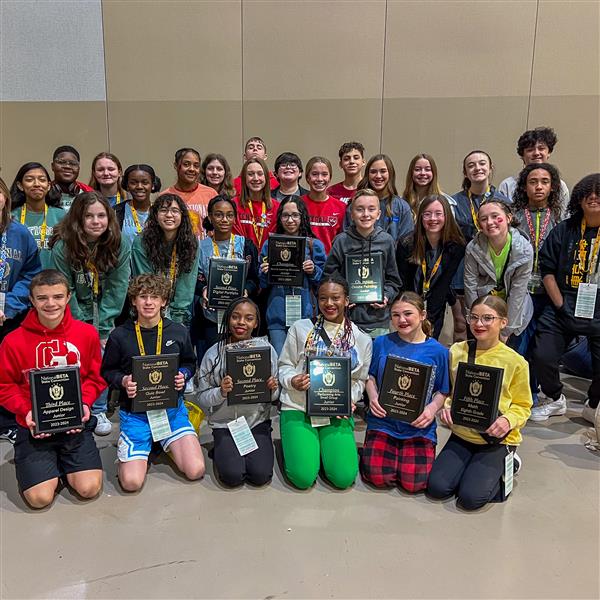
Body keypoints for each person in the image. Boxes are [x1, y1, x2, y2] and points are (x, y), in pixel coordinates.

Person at [0, 269, 105, 508]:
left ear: (68, 297)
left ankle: (63, 463)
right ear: (32, 300)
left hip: (75, 423)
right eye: (42, 298)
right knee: (40, 499)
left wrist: (85, 403)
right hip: (34, 427)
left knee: (89, 488)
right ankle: (45, 465)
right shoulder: (13, 341)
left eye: (57, 296)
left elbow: (96, 377)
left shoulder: (86, 334)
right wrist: (27, 411)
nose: (50, 303)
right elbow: (4, 385)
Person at [101, 274, 205, 491]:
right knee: (131, 483)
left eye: (155, 297)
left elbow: (189, 362)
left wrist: (183, 375)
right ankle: (140, 446)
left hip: (172, 413)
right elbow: (107, 371)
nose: (148, 302)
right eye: (142, 296)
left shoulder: (178, 331)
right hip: (136, 416)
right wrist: (123, 380)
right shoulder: (120, 335)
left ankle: (161, 442)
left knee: (195, 470)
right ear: (133, 301)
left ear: (164, 301)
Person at [427, 295, 531, 510]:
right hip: (462, 434)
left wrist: (508, 421)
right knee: (437, 488)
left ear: (503, 322)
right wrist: (447, 408)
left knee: (471, 499)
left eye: (487, 318)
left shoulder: (516, 362)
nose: (479, 324)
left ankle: (510, 463)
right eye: (474, 317)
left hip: (495, 439)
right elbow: (449, 391)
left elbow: (523, 405)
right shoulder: (457, 351)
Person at [278, 274, 372, 489]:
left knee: (343, 477)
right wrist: (293, 380)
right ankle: (303, 446)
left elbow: (359, 380)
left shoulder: (362, 339)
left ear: (347, 300)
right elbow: (284, 366)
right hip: (298, 406)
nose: (329, 304)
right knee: (302, 478)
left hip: (334, 409)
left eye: (335, 298)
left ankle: (320, 449)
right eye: (323, 298)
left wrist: (349, 399)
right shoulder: (300, 328)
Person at [50, 191, 131, 435]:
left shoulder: (120, 243)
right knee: (73, 355)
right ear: (78, 219)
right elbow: (65, 290)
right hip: (72, 313)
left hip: (106, 312)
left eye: (101, 216)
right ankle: (74, 405)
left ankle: (97, 407)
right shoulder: (64, 246)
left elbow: (118, 288)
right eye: (89, 216)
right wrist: (80, 327)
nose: (96, 222)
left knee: (104, 352)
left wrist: (103, 326)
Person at [361, 292, 450, 492]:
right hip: (383, 421)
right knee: (378, 478)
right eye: (395, 315)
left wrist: (431, 410)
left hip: (418, 425)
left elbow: (443, 390)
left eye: (408, 314)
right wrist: (373, 396)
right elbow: (370, 376)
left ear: (423, 314)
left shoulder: (439, 352)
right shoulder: (381, 343)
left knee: (414, 484)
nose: (401, 320)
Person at [531, 173, 600, 423]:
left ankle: (593, 404)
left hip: (599, 307)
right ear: (579, 200)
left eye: (598, 194)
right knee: (542, 354)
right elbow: (546, 269)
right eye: (587, 194)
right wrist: (560, 304)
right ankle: (555, 398)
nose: (593, 198)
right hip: (563, 301)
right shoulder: (565, 229)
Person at [197, 298, 278, 487]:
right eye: (235, 317)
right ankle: (220, 447)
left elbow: (275, 395)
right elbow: (201, 397)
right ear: (227, 319)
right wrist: (221, 392)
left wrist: (272, 389)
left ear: (256, 323)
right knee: (233, 477)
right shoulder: (213, 354)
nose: (241, 322)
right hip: (225, 424)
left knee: (260, 476)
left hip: (256, 421)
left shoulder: (266, 350)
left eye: (248, 318)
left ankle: (246, 449)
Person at [511, 163, 563, 405]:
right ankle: (524, 395)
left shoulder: (563, 220)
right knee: (519, 346)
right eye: (533, 181)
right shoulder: (515, 217)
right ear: (524, 186)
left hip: (549, 293)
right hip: (522, 292)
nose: (539, 186)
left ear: (552, 187)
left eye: (544, 181)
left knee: (541, 348)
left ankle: (543, 393)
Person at [325, 189, 401, 338]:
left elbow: (394, 281)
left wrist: (385, 296)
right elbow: (328, 278)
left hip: (378, 321)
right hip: (346, 319)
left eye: (371, 209)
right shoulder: (341, 241)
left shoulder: (386, 241)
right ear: (351, 214)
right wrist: (341, 296)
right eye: (360, 209)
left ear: (378, 214)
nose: (366, 214)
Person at [0, 177, 42, 443]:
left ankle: (6, 422)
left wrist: (11, 305)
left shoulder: (19, 232)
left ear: (5, 197)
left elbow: (31, 273)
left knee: (7, 371)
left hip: (9, 315)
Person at [452, 150, 509, 342]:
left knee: (492, 326)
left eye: (482, 163)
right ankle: (462, 368)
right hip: (462, 272)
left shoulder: (504, 202)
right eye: (471, 165)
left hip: (494, 272)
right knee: (463, 324)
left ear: (490, 168)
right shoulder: (455, 202)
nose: (477, 168)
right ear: (465, 172)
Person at [259, 196, 326, 355]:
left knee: (304, 361)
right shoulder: (270, 244)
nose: (290, 220)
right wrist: (265, 272)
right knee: (281, 361)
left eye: (295, 215)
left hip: (305, 314)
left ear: (302, 217)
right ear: (280, 217)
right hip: (277, 315)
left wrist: (313, 271)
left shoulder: (313, 245)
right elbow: (262, 284)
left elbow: (324, 282)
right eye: (285, 215)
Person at [464, 198, 533, 346]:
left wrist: (506, 330)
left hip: (512, 310)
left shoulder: (524, 249)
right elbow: (470, 286)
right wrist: (476, 319)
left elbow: (518, 292)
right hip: (483, 309)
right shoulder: (473, 248)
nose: (490, 222)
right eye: (484, 219)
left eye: (495, 216)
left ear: (508, 218)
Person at [196, 195, 259, 355]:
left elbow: (254, 279)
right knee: (213, 358)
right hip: (211, 316)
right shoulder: (199, 248)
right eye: (219, 214)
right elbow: (195, 279)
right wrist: (203, 289)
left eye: (229, 215)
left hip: (240, 317)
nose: (224, 219)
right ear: (210, 217)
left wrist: (246, 290)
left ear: (234, 218)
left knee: (239, 359)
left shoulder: (245, 245)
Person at [396, 195, 465, 338]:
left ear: (446, 216)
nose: (433, 218)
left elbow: (445, 283)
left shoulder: (456, 246)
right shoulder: (407, 244)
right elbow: (403, 282)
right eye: (427, 214)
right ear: (420, 217)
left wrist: (429, 318)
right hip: (409, 306)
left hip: (437, 306)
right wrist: (411, 312)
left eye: (438, 214)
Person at [131, 193, 199, 326]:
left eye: (174, 211)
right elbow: (145, 280)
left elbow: (187, 283)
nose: (169, 215)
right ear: (155, 215)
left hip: (179, 312)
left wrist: (177, 318)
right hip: (148, 309)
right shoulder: (142, 241)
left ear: (182, 216)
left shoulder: (191, 242)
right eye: (163, 210)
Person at [498, 127, 570, 210]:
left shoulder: (560, 186)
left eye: (541, 148)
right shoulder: (507, 185)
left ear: (549, 152)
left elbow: (564, 217)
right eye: (530, 150)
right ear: (522, 155)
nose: (536, 153)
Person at [10, 162, 65, 269]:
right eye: (29, 180)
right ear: (20, 185)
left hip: (53, 280)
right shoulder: (12, 217)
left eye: (42, 180)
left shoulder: (61, 215)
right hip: (22, 281)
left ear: (49, 186)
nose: (37, 184)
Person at [352, 154, 413, 243]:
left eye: (383, 171)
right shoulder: (355, 204)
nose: (378, 176)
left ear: (390, 174)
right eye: (373, 172)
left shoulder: (402, 207)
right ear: (367, 175)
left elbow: (407, 244)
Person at [163, 148, 217, 239]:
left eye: (196, 165)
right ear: (176, 166)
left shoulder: (211, 194)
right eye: (186, 164)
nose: (192, 169)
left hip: (206, 250)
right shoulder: (165, 196)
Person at [301, 156, 347, 254]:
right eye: (314, 174)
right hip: (303, 263)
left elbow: (343, 242)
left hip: (330, 264)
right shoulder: (298, 204)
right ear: (307, 177)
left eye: (324, 174)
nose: (320, 179)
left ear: (330, 178)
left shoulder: (341, 207)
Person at [233, 158, 279, 251]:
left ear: (266, 177)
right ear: (244, 178)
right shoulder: (234, 205)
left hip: (267, 260)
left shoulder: (277, 207)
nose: (256, 178)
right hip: (241, 258)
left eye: (260, 174)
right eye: (250, 174)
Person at [114, 164, 161, 248]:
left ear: (153, 185)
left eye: (145, 182)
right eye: (133, 183)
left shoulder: (160, 212)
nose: (139, 187)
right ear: (127, 186)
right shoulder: (115, 212)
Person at [401, 153, 456, 219]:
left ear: (433, 173)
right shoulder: (401, 203)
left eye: (427, 169)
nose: (423, 173)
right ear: (411, 173)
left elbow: (450, 228)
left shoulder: (446, 203)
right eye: (417, 169)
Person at [50, 145, 93, 211]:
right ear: (52, 166)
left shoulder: (89, 193)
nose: (67, 166)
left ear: (79, 168)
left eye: (73, 163)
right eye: (61, 162)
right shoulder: (43, 192)